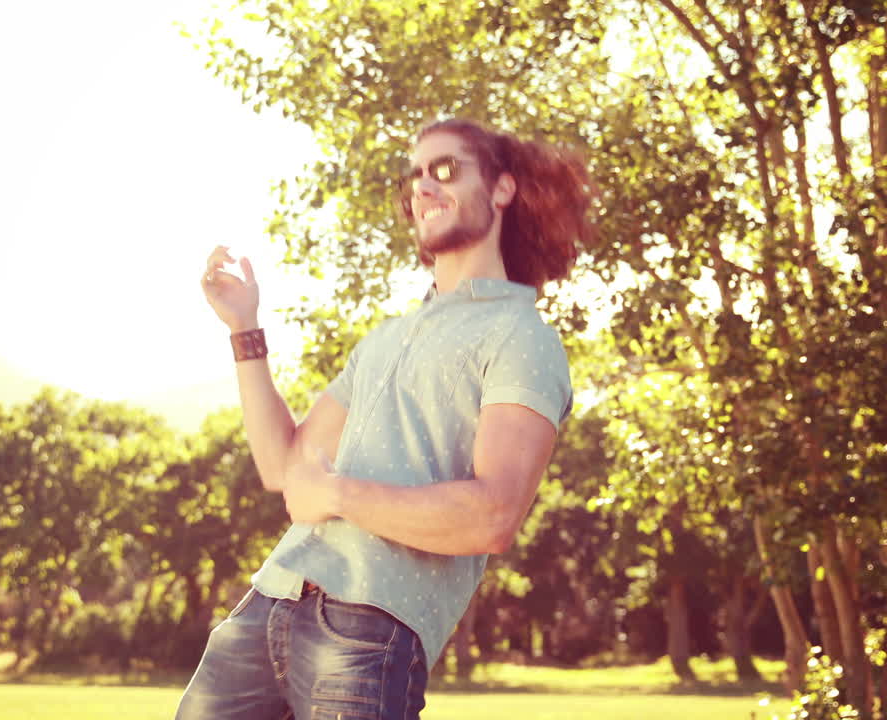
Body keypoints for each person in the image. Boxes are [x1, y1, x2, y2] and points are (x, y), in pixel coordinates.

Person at [178, 118, 594, 720]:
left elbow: (494, 516)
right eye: (414, 176)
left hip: (368, 628)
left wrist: (337, 494)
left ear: (501, 189)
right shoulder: (385, 340)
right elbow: (283, 467)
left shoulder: (522, 336)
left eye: (445, 169)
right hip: (267, 602)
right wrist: (245, 328)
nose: (423, 185)